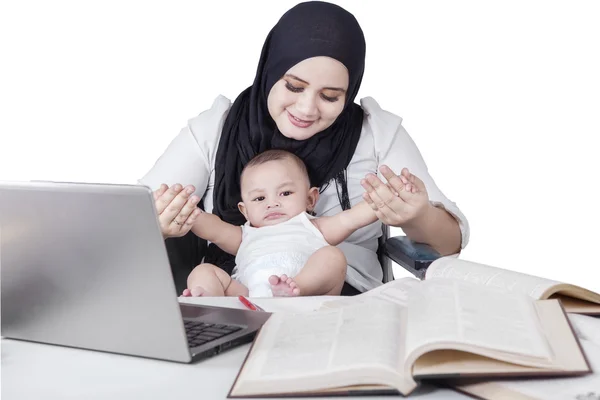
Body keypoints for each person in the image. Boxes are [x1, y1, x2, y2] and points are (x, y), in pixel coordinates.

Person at [139, 1, 470, 296]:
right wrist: (162, 221)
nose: (307, 109)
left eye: (330, 96)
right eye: (294, 87)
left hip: (345, 300)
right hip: (240, 293)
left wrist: (417, 213)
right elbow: (130, 220)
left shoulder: (377, 133)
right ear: (270, 72)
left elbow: (448, 243)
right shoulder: (216, 128)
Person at [182, 149, 385, 298]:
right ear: (245, 211)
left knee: (333, 257)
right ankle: (206, 302)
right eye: (259, 199)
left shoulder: (313, 226)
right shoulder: (245, 235)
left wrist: (386, 197)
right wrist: (188, 212)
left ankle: (294, 289)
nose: (272, 203)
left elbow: (352, 218)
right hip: (251, 299)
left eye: (285, 193)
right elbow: (213, 229)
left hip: (309, 299)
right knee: (204, 271)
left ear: (310, 199)